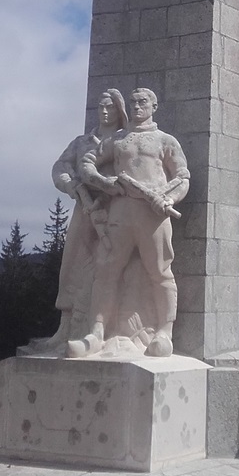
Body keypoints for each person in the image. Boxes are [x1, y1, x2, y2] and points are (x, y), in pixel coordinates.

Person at [75, 87, 190, 358]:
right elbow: (87, 163)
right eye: (133, 102)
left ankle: (165, 332)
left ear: (154, 107)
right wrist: (104, 183)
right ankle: (97, 332)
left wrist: (169, 200)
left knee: (160, 272)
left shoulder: (165, 140)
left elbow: (183, 177)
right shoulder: (118, 139)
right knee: (106, 270)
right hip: (121, 212)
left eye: (143, 102)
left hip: (154, 215)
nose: (137, 107)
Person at [20, 89, 127, 354]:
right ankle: (65, 329)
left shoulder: (124, 141)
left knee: (107, 268)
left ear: (119, 111)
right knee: (72, 265)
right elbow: (60, 167)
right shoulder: (82, 142)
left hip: (114, 210)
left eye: (110, 108)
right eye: (100, 106)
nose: (104, 112)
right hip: (84, 209)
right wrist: (72, 186)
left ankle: (102, 329)